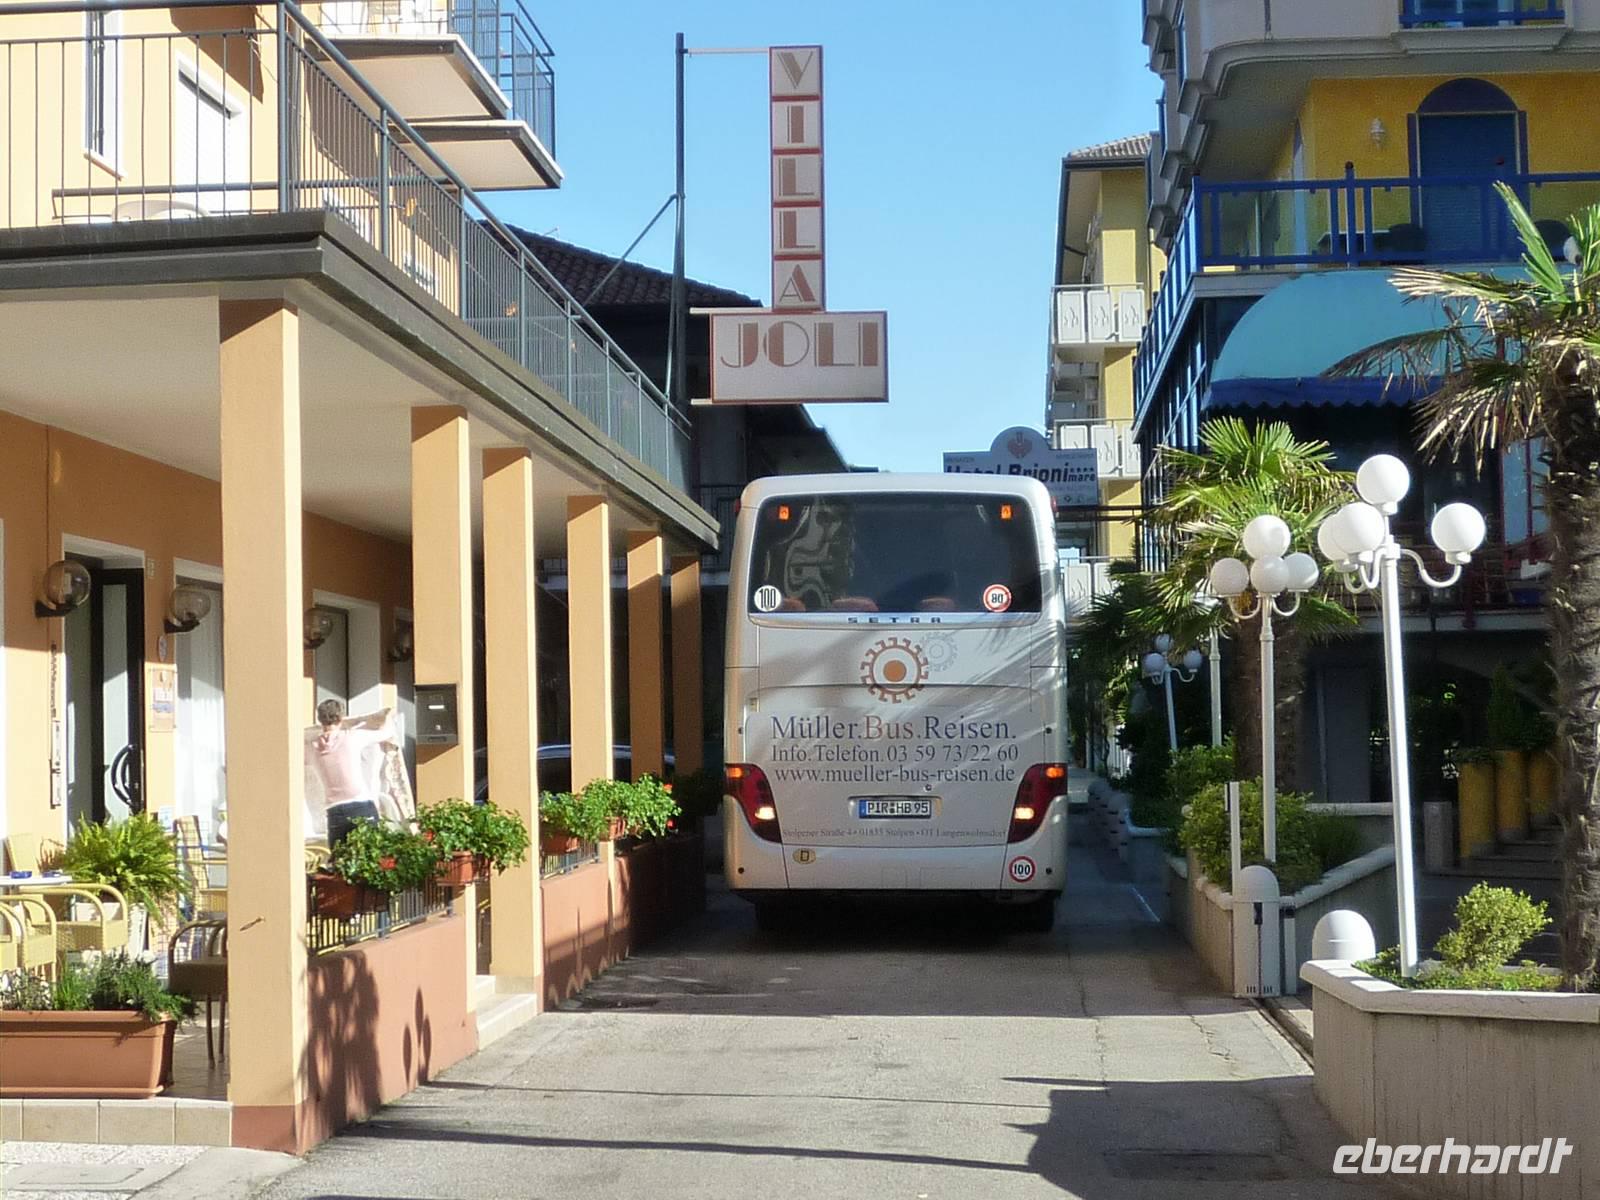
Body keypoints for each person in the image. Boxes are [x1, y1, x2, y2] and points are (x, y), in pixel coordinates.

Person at [309, 700, 394, 846]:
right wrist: (388, 716)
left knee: (340, 863)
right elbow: (386, 733)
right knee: (369, 860)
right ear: (341, 718)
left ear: (319, 719)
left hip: (335, 811)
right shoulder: (352, 737)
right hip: (361, 806)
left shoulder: (313, 747)